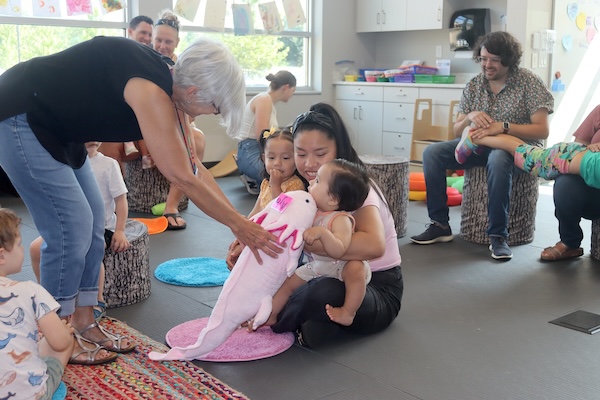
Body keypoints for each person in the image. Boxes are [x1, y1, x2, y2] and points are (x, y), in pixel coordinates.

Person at [0, 35, 281, 365]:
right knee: (71, 229)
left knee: (94, 222)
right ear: (194, 93)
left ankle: (85, 321)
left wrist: (241, 223)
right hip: (22, 115)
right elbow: (183, 177)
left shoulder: (174, 90)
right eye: (213, 108)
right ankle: (56, 335)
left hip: (61, 127)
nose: (208, 115)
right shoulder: (151, 89)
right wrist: (240, 227)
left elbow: (194, 170)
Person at [227, 103, 403, 347]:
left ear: (338, 149)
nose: (310, 163)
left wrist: (310, 243)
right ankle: (293, 317)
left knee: (324, 290)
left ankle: (280, 320)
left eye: (320, 154)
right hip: (319, 269)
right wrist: (245, 240)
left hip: (371, 287)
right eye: (300, 154)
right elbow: (268, 212)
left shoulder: (355, 188)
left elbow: (374, 246)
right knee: (270, 274)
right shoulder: (306, 186)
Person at [410, 31, 554, 261]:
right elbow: (457, 130)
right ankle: (440, 225)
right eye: (484, 58)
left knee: (497, 158)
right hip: (477, 145)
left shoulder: (529, 83)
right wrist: (470, 117)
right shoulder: (475, 85)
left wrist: (504, 126)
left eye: (494, 60)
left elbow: (541, 130)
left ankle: (498, 236)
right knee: (432, 153)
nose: (487, 65)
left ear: (508, 60)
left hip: (516, 150)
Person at [455, 107, 600, 260]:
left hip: (571, 155)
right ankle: (476, 138)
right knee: (524, 153)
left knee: (524, 150)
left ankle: (477, 137)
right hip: (566, 157)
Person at [30, 141, 131, 321]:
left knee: (91, 249)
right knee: (35, 248)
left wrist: (120, 230)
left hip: (101, 227)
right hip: (71, 227)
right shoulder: (64, 164)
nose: (92, 138)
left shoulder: (108, 164)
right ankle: (47, 296)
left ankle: (97, 300)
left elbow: (121, 200)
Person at [267, 159, 371, 327]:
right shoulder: (311, 208)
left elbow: (339, 250)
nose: (310, 182)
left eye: (317, 181)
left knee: (356, 268)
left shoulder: (340, 219)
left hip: (341, 266)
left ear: (332, 199)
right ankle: (271, 315)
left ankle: (348, 312)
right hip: (319, 265)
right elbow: (282, 207)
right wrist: (275, 186)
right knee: (288, 283)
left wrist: (323, 234)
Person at [0, 208, 82, 400]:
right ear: (2, 256)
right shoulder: (31, 291)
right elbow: (60, 342)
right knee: (64, 339)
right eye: (19, 245)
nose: (23, 249)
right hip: (28, 394)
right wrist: (62, 332)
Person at [234, 71, 297, 194]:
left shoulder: (269, 103)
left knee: (285, 176)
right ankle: (252, 176)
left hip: (258, 149)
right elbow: (261, 135)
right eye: (293, 91)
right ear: (286, 87)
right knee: (277, 176)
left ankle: (255, 180)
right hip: (251, 149)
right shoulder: (264, 99)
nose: (292, 95)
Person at [247, 128, 305, 218]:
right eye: (271, 157)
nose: (277, 163)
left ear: (296, 160)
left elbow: (281, 211)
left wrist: (276, 186)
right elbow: (257, 210)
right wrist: (247, 223)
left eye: (285, 158)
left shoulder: (295, 184)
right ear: (264, 158)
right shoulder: (266, 183)